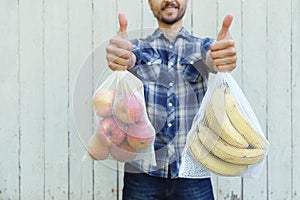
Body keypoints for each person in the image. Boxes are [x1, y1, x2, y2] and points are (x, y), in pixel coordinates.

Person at [106, 0, 237, 199]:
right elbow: (130, 58)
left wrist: (220, 57)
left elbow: (212, 59)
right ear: (150, 3)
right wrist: (121, 56)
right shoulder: (137, 47)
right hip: (142, 173)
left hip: (193, 172)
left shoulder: (202, 47)